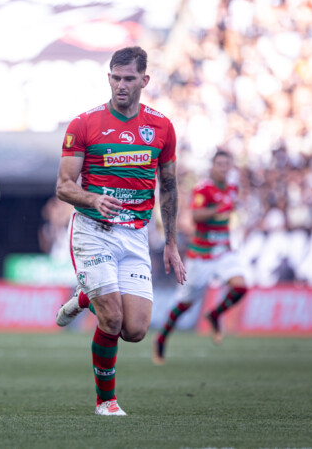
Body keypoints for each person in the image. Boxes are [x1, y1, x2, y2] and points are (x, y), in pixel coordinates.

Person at [53, 46, 186, 416]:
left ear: (145, 80)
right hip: (93, 230)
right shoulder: (84, 124)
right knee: (111, 318)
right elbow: (63, 186)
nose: (121, 85)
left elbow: (170, 186)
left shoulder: (162, 127)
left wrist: (171, 243)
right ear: (108, 77)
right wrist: (93, 200)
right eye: (115, 77)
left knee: (136, 330)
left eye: (129, 78)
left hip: (136, 235)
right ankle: (105, 401)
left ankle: (84, 297)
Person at [152, 150, 247, 365]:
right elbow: (195, 216)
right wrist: (217, 209)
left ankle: (214, 315)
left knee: (241, 287)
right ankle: (161, 338)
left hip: (223, 251)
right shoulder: (203, 188)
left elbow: (228, 214)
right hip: (201, 255)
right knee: (185, 304)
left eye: (226, 164)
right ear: (213, 167)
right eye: (219, 164)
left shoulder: (232, 188)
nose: (223, 168)